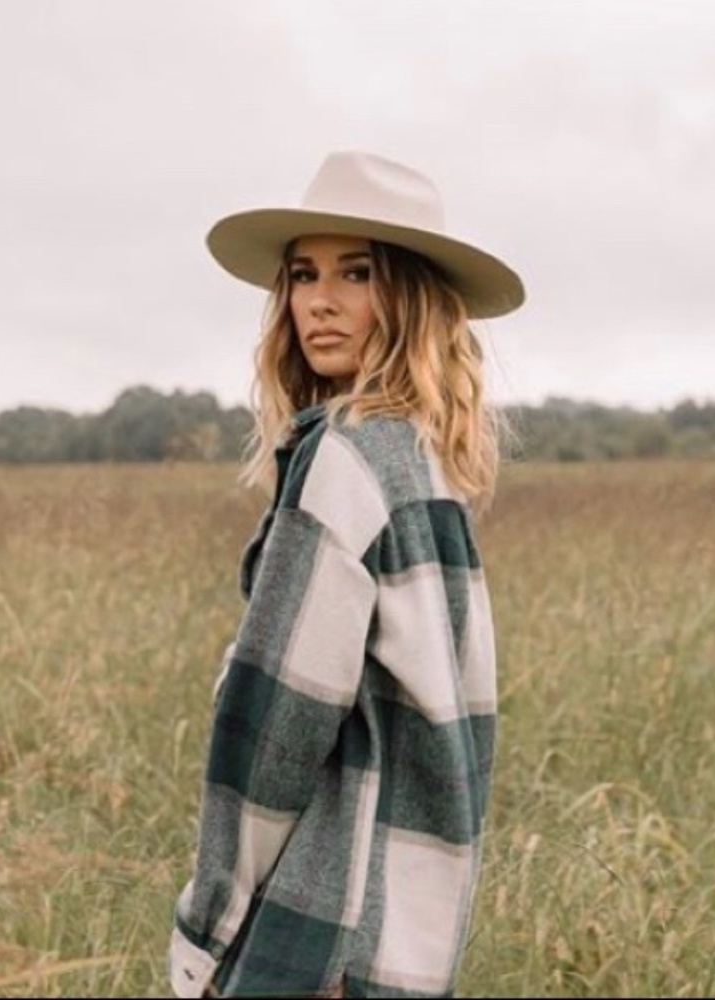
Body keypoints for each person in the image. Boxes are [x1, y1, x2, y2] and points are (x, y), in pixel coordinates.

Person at [168, 150, 525, 999]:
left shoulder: (345, 459)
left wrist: (208, 925)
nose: (319, 301)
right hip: (410, 935)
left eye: (356, 273)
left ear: (407, 296)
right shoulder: (424, 460)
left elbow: (275, 727)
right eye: (303, 274)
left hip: (318, 931)